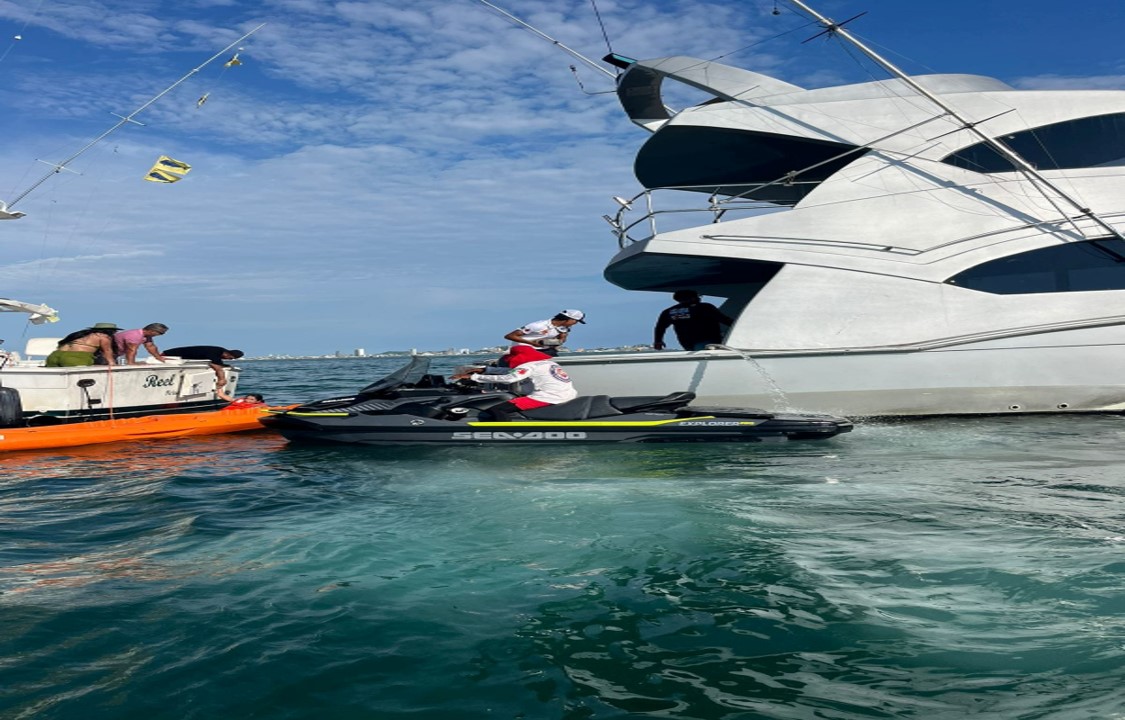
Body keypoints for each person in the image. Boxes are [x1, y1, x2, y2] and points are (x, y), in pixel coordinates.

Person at [451, 344, 577, 420]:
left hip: (548, 397)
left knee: (497, 410)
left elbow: (510, 378)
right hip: (567, 394)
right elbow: (512, 371)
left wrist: (474, 378)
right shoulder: (547, 363)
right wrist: (486, 369)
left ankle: (503, 434)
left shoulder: (528, 366)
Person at [653, 290, 735, 351]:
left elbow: (660, 327)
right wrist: (739, 326)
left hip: (686, 342)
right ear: (692, 297)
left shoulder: (669, 311)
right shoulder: (705, 307)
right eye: (697, 296)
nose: (699, 298)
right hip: (708, 340)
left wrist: (658, 341)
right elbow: (724, 319)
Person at [162, 345, 244, 398]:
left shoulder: (219, 351)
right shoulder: (214, 353)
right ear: (227, 354)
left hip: (174, 355)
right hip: (168, 355)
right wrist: (222, 379)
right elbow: (218, 367)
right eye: (230, 358)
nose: (229, 360)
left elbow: (219, 364)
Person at [503, 309, 586, 357]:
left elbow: (562, 340)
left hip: (544, 349)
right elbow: (509, 336)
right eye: (576, 321)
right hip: (525, 348)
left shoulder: (564, 327)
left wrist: (561, 338)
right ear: (569, 319)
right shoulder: (538, 325)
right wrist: (532, 343)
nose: (575, 324)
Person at [44, 323, 119, 367]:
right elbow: (107, 351)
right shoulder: (104, 337)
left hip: (54, 356)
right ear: (110, 331)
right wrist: (111, 363)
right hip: (76, 357)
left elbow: (61, 343)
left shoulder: (80, 334)